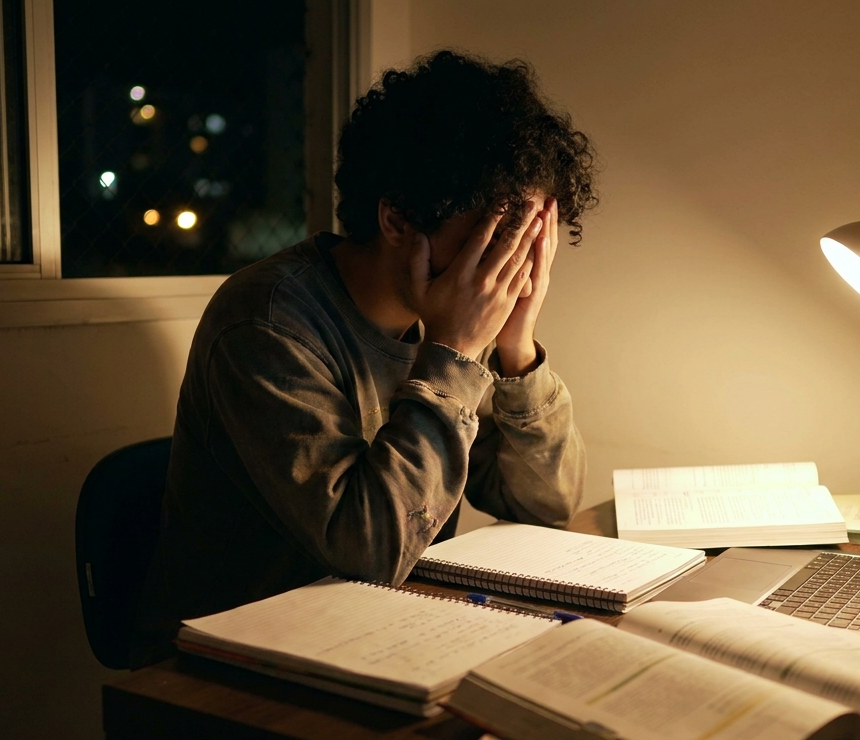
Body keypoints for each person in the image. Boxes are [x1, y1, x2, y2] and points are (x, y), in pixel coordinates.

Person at [133, 51, 598, 664]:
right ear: (398, 221)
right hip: (239, 669)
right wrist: (455, 352)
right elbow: (368, 552)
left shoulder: (445, 319)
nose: (509, 266)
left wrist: (514, 347)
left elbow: (546, 502)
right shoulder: (267, 323)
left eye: (525, 240)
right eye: (494, 237)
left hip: (381, 634)